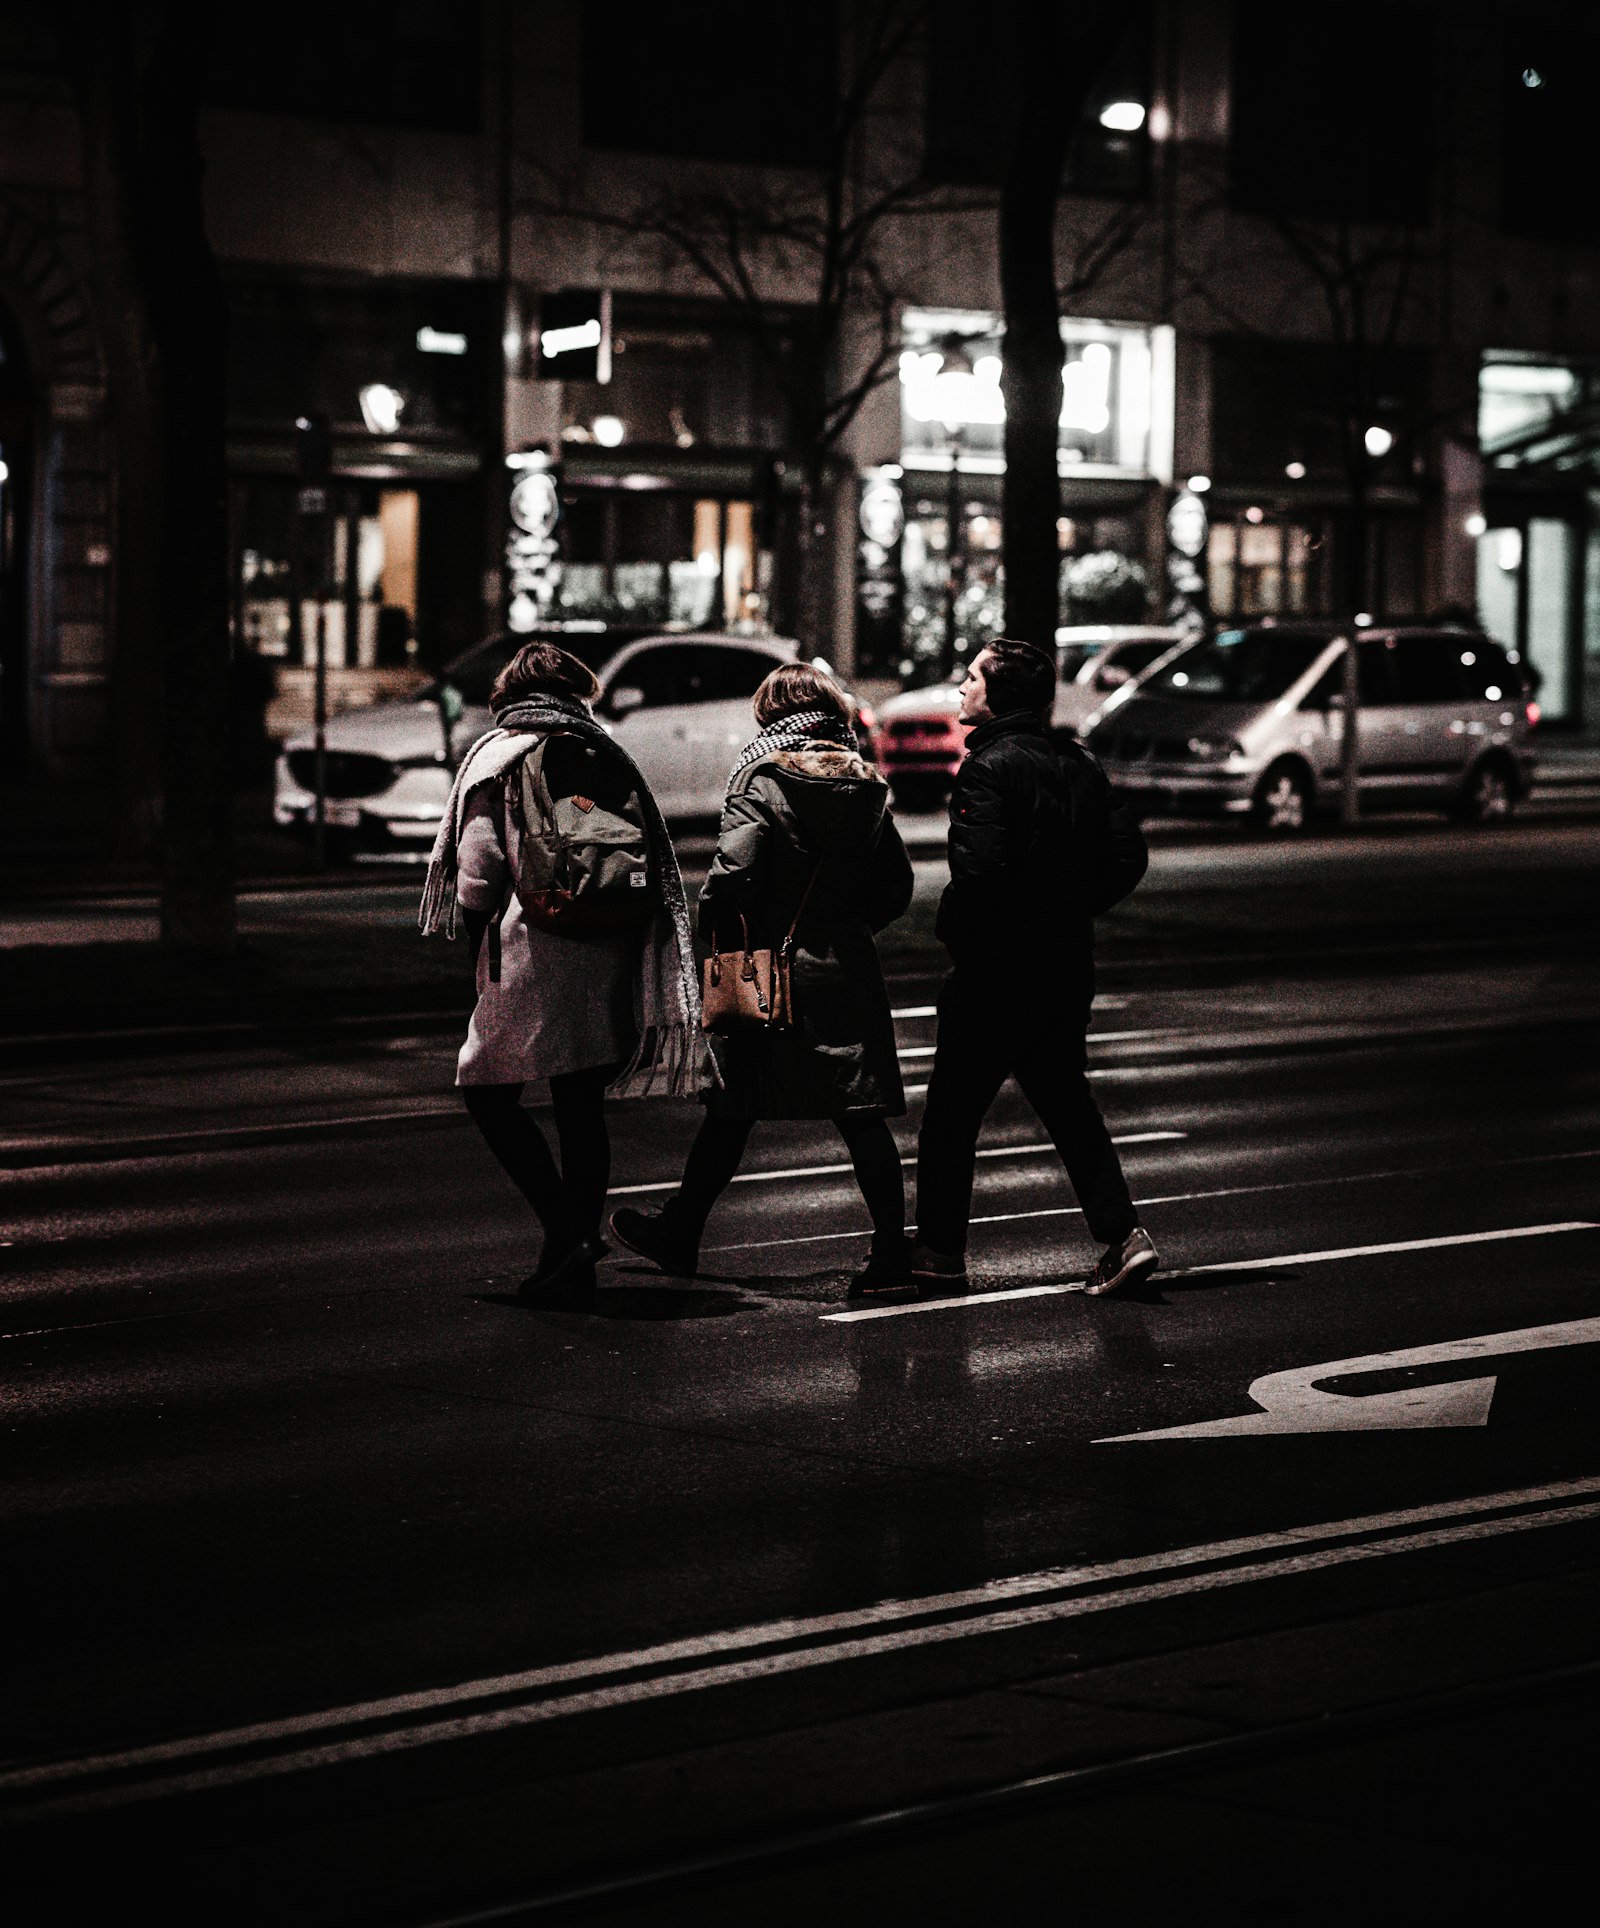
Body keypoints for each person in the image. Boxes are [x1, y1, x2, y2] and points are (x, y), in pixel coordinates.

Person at [609, 663, 916, 1293]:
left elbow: (731, 879)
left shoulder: (761, 777)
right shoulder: (867, 782)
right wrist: (844, 931)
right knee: (859, 1111)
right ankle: (890, 1253)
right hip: (845, 968)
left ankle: (681, 1231)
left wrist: (718, 940)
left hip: (769, 968)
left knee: (732, 1104)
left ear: (771, 715)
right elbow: (896, 888)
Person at [419, 641, 701, 1310]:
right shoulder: (604, 751)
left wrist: (469, 916)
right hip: (603, 941)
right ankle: (569, 1252)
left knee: (489, 1092)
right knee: (580, 1103)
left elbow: (480, 867)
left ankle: (566, 1231)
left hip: (528, 946)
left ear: (506, 697)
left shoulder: (501, 755)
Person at [911, 638, 1158, 1296]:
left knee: (952, 1117)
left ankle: (938, 1253)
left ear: (998, 695)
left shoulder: (988, 767)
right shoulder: (1075, 762)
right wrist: (1070, 907)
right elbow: (1127, 856)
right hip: (1063, 962)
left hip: (995, 972)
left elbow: (977, 872)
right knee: (1068, 1104)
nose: (961, 689)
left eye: (971, 678)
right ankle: (1122, 1235)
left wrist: (964, 933)